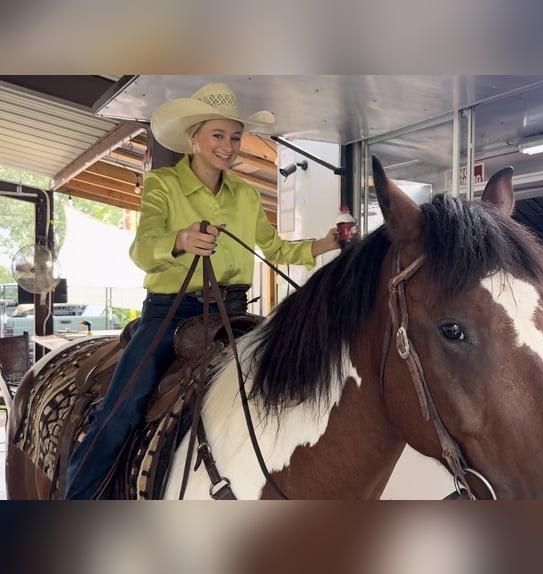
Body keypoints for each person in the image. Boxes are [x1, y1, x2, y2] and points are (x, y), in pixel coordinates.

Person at [64, 82, 340, 499]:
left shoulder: (246, 195)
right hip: (171, 314)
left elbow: (279, 248)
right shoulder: (162, 185)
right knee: (120, 411)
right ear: (193, 137)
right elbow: (141, 251)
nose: (228, 146)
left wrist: (328, 242)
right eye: (218, 135)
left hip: (235, 313)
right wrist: (180, 241)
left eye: (234, 136)